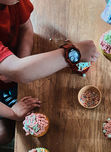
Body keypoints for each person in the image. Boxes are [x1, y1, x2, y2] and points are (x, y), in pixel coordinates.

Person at [0, 0, 99, 144]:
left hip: (13, 68)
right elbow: (20, 72)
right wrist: (72, 53)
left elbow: (26, 28)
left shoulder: (12, 1)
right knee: (4, 133)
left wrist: (23, 60)